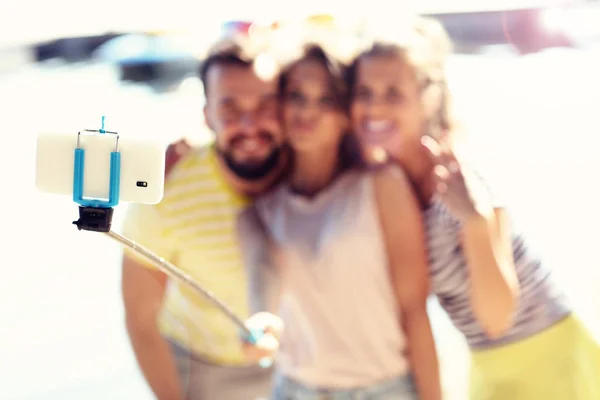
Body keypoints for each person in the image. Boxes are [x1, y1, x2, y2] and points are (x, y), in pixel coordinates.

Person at [346, 16, 600, 400]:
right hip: (488, 364)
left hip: (548, 357)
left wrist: (475, 222)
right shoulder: (391, 183)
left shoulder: (458, 179)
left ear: (426, 98)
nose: (374, 106)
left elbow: (497, 318)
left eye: (393, 93)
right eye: (364, 92)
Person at [237, 44, 442, 400]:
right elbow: (262, 278)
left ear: (346, 114)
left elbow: (415, 311)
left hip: (384, 389)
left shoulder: (381, 185)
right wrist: (260, 323)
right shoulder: (261, 210)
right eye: (296, 96)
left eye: (325, 99)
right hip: (294, 390)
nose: (306, 111)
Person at [120, 39, 288, 400]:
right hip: (204, 369)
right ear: (207, 115)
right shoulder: (165, 194)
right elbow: (140, 320)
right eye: (229, 107)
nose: (249, 124)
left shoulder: (313, 173)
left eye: (265, 104)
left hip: (301, 363)